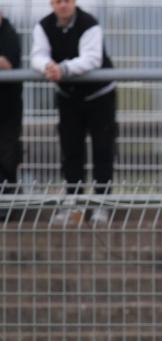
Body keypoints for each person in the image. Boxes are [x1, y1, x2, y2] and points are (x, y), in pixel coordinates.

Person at [31, 0, 117, 224]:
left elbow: (92, 59)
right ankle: (73, 204)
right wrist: (47, 66)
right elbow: (37, 55)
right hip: (68, 96)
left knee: (103, 149)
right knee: (71, 151)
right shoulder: (43, 26)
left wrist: (63, 69)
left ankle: (102, 204)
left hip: (100, 96)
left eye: (67, 1)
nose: (63, 6)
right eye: (58, 1)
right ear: (52, 4)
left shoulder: (90, 24)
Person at [0, 11, 22, 194]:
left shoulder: (8, 34)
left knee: (7, 154)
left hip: (7, 107)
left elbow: (6, 63)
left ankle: (7, 203)